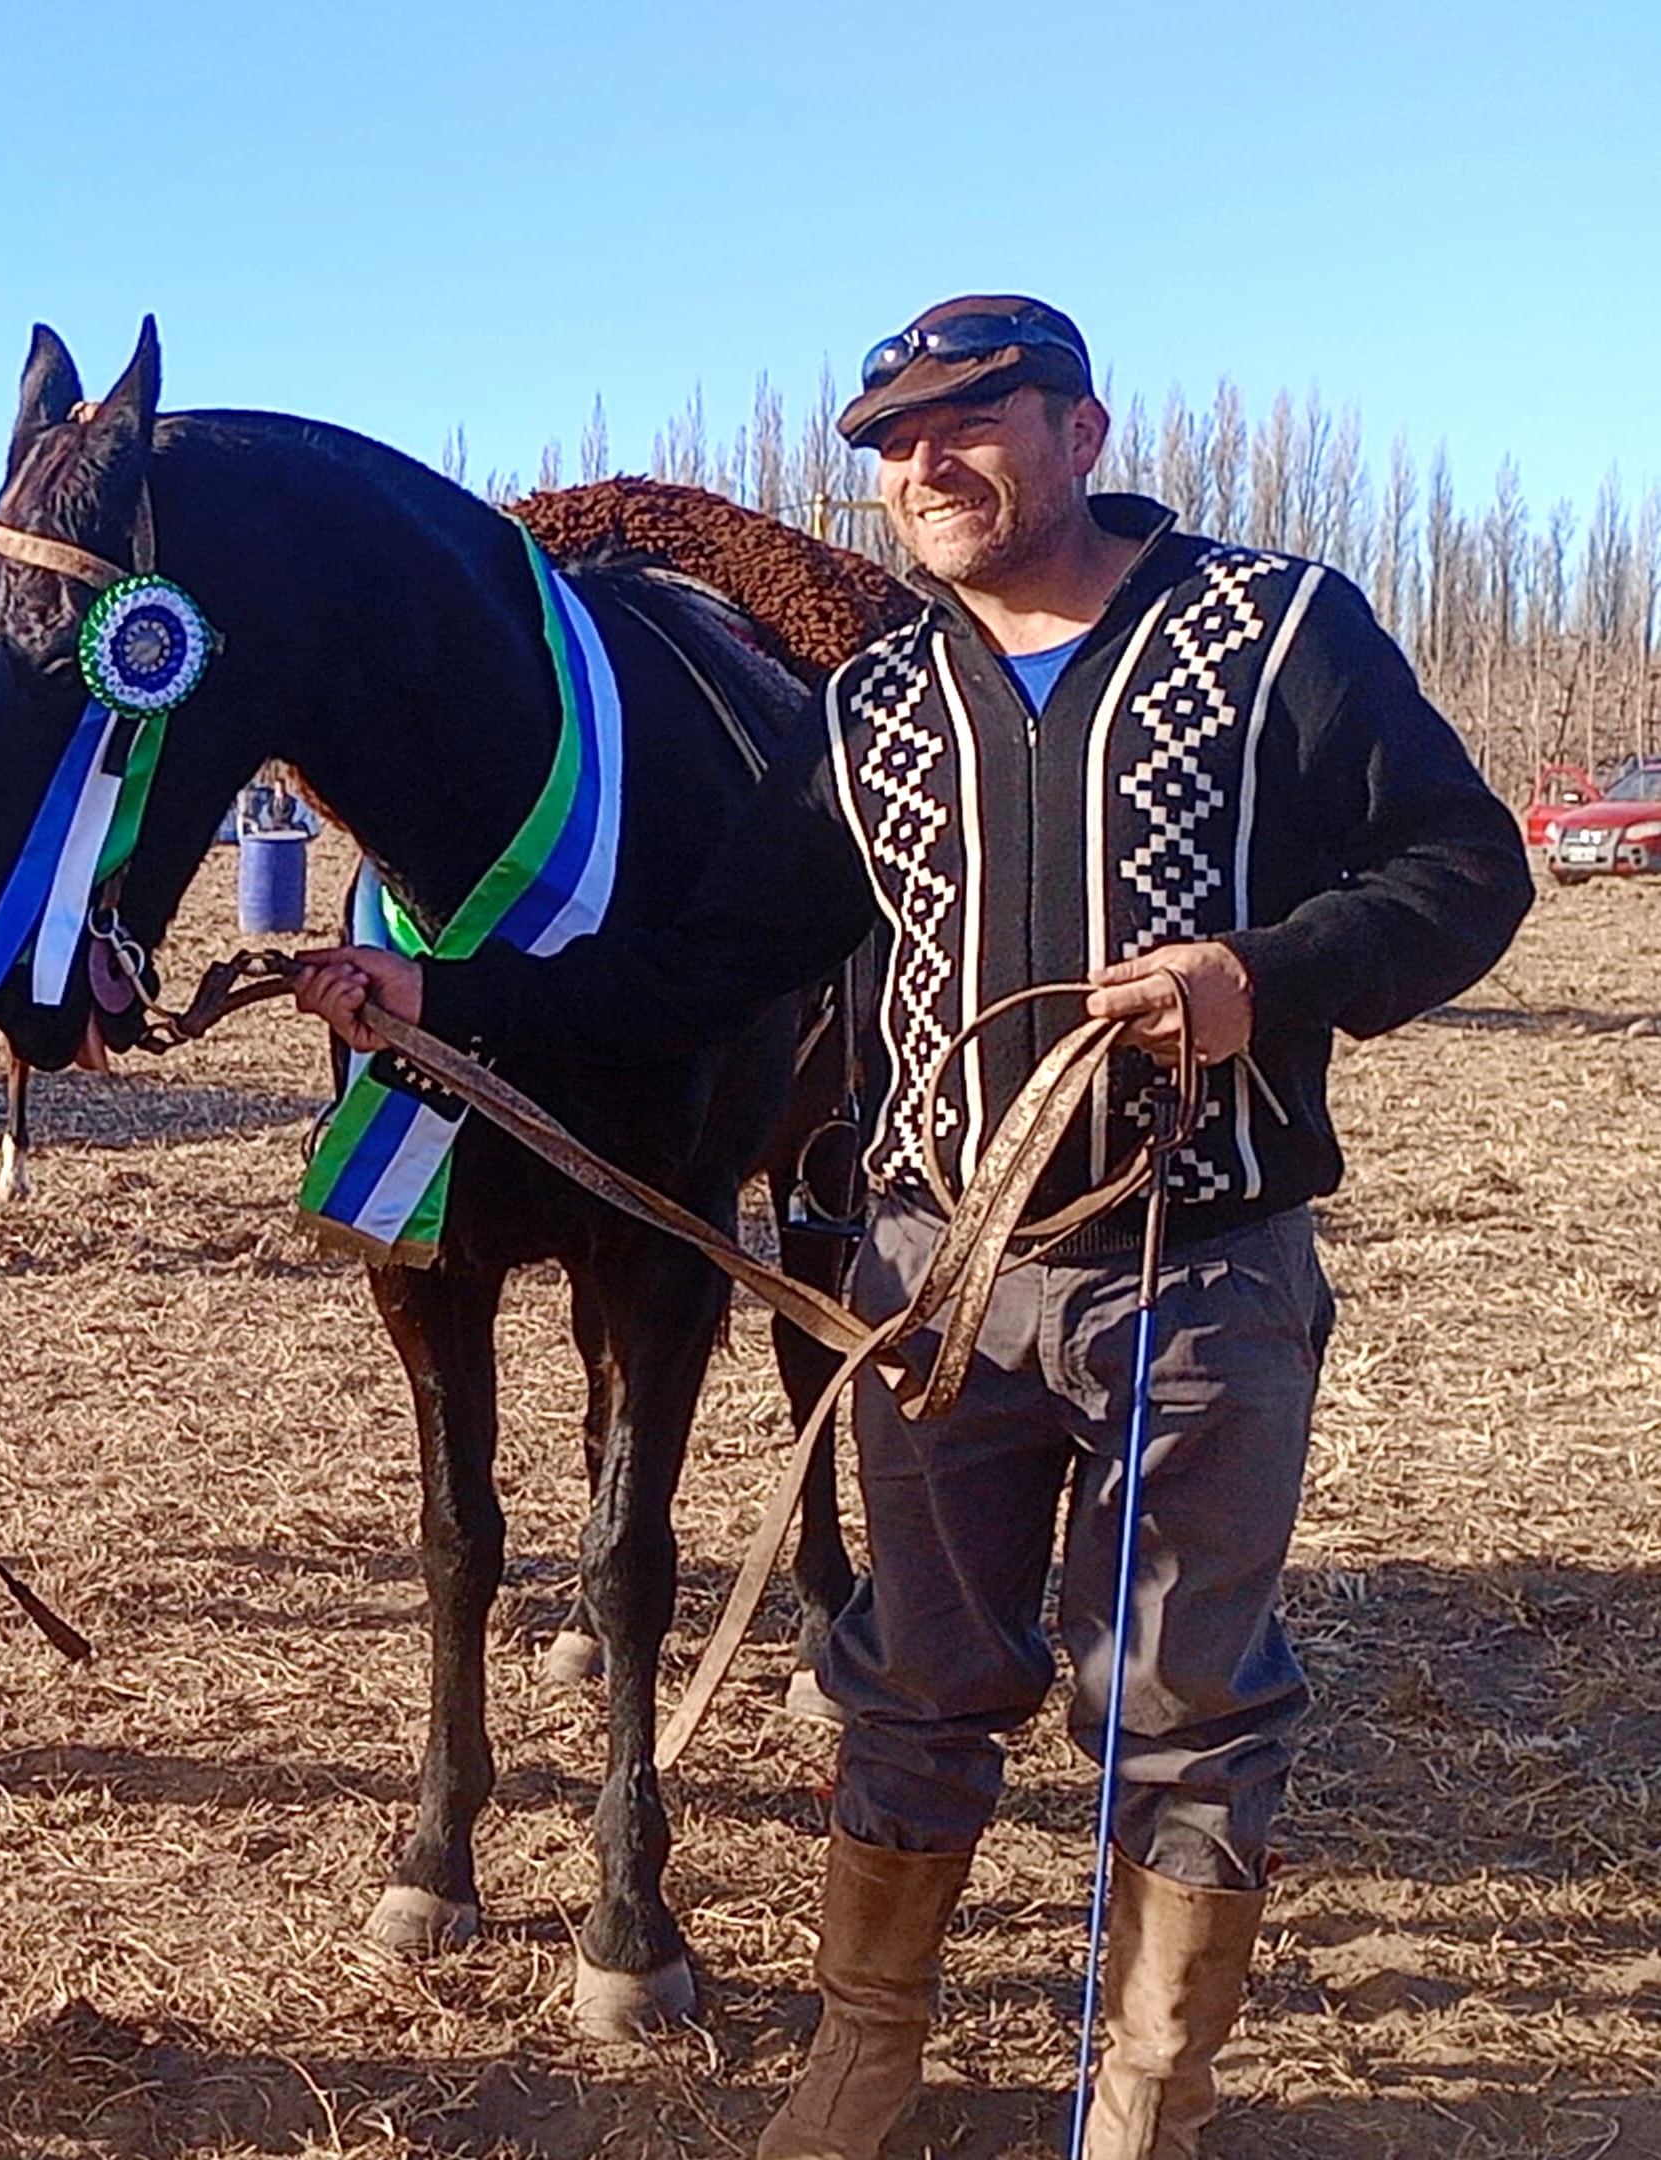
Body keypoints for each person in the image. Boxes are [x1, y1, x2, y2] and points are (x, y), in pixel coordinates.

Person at [293, 296, 1532, 2160]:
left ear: (1081, 428)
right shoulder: (869, 705)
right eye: (890, 443)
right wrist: (439, 1005)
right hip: (937, 1280)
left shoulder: (1273, 629)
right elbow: (707, 961)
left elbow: (1464, 866)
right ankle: (863, 2059)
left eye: (971, 421)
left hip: (1192, 1271)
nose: (925, 467)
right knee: (911, 1686)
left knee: (1178, 1704)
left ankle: (1141, 2099)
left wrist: (1263, 978)